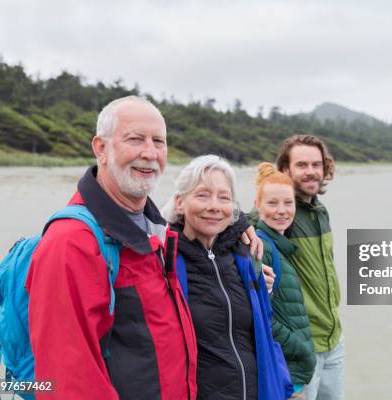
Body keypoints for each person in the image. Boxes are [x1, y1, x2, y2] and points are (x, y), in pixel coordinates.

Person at [26, 96, 261, 399]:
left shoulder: (156, 231)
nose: (150, 153)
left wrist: (239, 223)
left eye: (159, 142)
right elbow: (69, 382)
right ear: (101, 148)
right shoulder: (71, 243)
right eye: (135, 139)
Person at [161, 155, 292, 400]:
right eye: (202, 195)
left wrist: (285, 388)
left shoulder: (245, 258)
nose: (214, 206)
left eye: (224, 197)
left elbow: (265, 332)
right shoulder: (164, 260)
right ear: (180, 203)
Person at [274, 134, 344, 400]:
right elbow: (249, 221)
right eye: (302, 165)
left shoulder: (320, 210)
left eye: (316, 165)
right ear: (285, 169)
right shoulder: (282, 212)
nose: (311, 172)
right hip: (302, 346)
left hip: (333, 338)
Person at [253, 162, 316, 399]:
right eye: (272, 203)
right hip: (284, 374)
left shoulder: (278, 247)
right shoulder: (263, 248)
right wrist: (302, 349)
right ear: (257, 205)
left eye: (288, 203)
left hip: (291, 373)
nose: (281, 210)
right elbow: (259, 316)